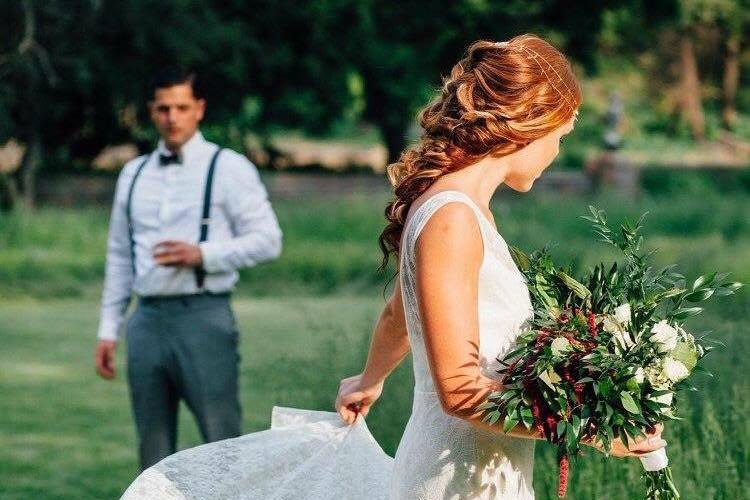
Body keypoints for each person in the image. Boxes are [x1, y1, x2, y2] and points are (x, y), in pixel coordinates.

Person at [120, 35, 665, 500]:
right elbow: (460, 393)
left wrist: (370, 377)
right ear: (529, 122)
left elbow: (403, 312)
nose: (555, 154)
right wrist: (592, 429)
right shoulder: (453, 218)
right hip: (454, 480)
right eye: (560, 136)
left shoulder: (458, 209)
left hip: (482, 472)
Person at [94, 67, 283, 471]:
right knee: (153, 448)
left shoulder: (228, 167)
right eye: (163, 108)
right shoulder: (133, 174)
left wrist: (202, 254)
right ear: (151, 112)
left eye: (181, 107)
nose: (172, 117)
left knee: (223, 442)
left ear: (198, 109)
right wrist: (109, 329)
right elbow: (119, 255)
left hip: (204, 316)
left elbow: (269, 240)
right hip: (145, 320)